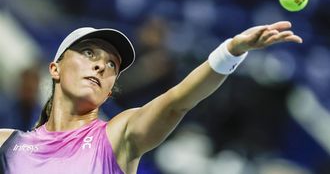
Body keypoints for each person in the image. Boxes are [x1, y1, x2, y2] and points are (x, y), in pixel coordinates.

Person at [0, 21, 302, 174]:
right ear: (55, 68)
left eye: (111, 65)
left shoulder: (118, 136)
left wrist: (230, 52)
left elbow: (176, 102)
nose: (100, 65)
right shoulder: (7, 144)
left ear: (110, 88)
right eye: (89, 52)